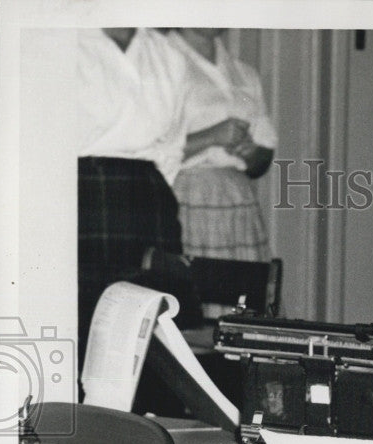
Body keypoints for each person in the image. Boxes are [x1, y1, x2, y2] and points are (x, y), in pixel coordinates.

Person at [77, 27, 188, 359]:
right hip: (82, 197)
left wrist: (152, 192)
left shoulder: (168, 55)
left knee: (150, 328)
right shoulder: (61, 41)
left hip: (148, 199)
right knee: (85, 324)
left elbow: (172, 146)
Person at [168, 28, 277, 260]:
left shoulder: (243, 74)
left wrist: (251, 153)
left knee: (242, 291)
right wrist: (212, 137)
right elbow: (147, 150)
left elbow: (263, 157)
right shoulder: (162, 65)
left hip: (237, 201)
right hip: (182, 200)